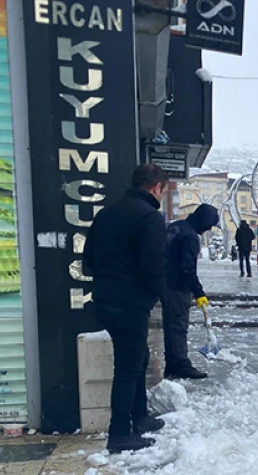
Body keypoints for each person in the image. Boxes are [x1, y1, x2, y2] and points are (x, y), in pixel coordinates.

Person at [82, 164, 168, 454]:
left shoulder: (106, 214)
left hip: (105, 299)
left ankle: (140, 417)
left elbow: (88, 261)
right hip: (130, 303)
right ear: (157, 187)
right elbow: (154, 265)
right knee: (128, 367)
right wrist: (159, 295)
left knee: (138, 358)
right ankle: (120, 434)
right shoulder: (149, 217)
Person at [163, 202, 219, 380]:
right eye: (209, 224)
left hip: (164, 283)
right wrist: (199, 292)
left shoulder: (175, 227)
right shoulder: (190, 237)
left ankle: (172, 363)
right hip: (177, 287)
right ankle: (180, 364)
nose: (209, 228)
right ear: (204, 221)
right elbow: (187, 268)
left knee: (170, 326)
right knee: (178, 326)